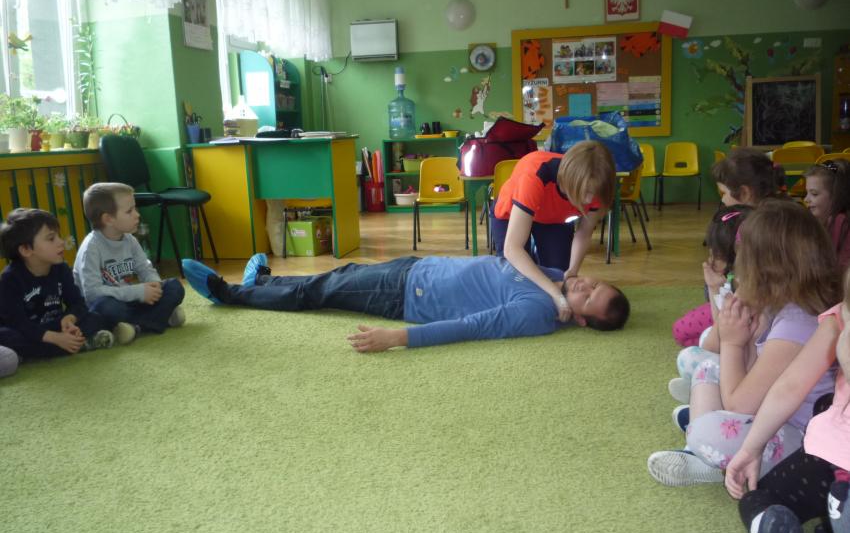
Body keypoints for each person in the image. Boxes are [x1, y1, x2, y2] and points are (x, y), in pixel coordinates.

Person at [647, 200, 841, 486]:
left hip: (800, 439)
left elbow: (740, 404)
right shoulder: (781, 306)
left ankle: (702, 450)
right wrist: (743, 336)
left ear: (767, 268)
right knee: (708, 367)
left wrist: (733, 343)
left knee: (707, 432)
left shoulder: (797, 322)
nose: (737, 269)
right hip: (766, 412)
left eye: (742, 259)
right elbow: (747, 373)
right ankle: (700, 431)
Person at [181, 253, 631, 352]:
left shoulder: (538, 312)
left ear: (581, 321)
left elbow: (473, 327)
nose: (585, 286)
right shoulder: (552, 279)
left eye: (589, 298)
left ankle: (228, 293)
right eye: (595, 284)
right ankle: (264, 281)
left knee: (322, 291)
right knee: (338, 275)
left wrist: (397, 338)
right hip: (417, 268)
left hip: (406, 295)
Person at [724, 270, 850, 533]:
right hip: (835, 466)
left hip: (831, 462)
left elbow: (790, 385)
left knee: (758, 498)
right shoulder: (834, 316)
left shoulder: (837, 317)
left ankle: (827, 528)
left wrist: (750, 448)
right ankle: (835, 530)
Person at [671, 147, 786, 349]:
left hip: (752, 308)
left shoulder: (751, 228)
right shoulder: (780, 214)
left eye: (723, 193)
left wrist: (717, 283)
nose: (722, 199)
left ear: (745, 192)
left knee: (682, 332)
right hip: (763, 308)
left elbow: (742, 290)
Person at [490, 141, 615, 322]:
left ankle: (538, 270)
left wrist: (572, 270)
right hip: (512, 212)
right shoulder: (535, 175)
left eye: (593, 192)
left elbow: (584, 233)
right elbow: (513, 249)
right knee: (514, 277)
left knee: (557, 274)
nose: (589, 200)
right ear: (569, 181)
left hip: (553, 217)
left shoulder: (598, 188)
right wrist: (554, 292)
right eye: (585, 192)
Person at [73, 183, 186, 343]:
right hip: (106, 304)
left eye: (135, 209)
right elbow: (92, 293)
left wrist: (154, 284)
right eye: (129, 211)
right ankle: (158, 319)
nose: (137, 215)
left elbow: (145, 268)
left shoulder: (129, 239)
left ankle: (134, 327)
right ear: (108, 219)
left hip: (130, 300)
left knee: (174, 286)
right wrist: (138, 292)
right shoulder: (91, 248)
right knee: (108, 308)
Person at [0, 208, 116, 359]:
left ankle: (61, 346)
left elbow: (78, 303)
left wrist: (70, 319)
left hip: (56, 325)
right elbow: (18, 323)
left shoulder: (61, 268)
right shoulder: (10, 279)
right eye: (51, 239)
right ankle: (78, 344)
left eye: (58, 236)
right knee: (6, 337)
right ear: (26, 249)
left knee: (96, 317)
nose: (61, 242)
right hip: (27, 331)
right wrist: (56, 338)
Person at [671, 205, 753, 350]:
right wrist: (714, 287)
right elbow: (720, 326)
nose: (711, 257)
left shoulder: (751, 287)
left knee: (688, 336)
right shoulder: (732, 276)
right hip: (725, 318)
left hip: (736, 329)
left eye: (716, 252)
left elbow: (722, 334)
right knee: (681, 331)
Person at [804, 158, 850, 273]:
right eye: (806, 193)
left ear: (835, 195)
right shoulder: (820, 222)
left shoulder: (842, 222)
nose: (806, 199)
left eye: (814, 194)